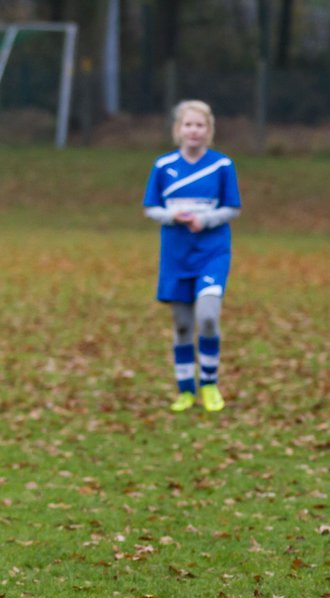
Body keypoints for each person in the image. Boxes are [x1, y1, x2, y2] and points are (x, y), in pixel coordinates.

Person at [143, 100, 241, 413]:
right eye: (188, 125)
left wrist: (205, 219)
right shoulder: (163, 166)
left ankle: (210, 384)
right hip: (176, 254)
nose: (194, 131)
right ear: (178, 129)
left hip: (212, 252)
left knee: (208, 316)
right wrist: (173, 216)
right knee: (183, 325)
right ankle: (185, 389)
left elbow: (232, 207)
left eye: (200, 125)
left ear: (208, 130)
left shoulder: (222, 166)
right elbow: (151, 207)